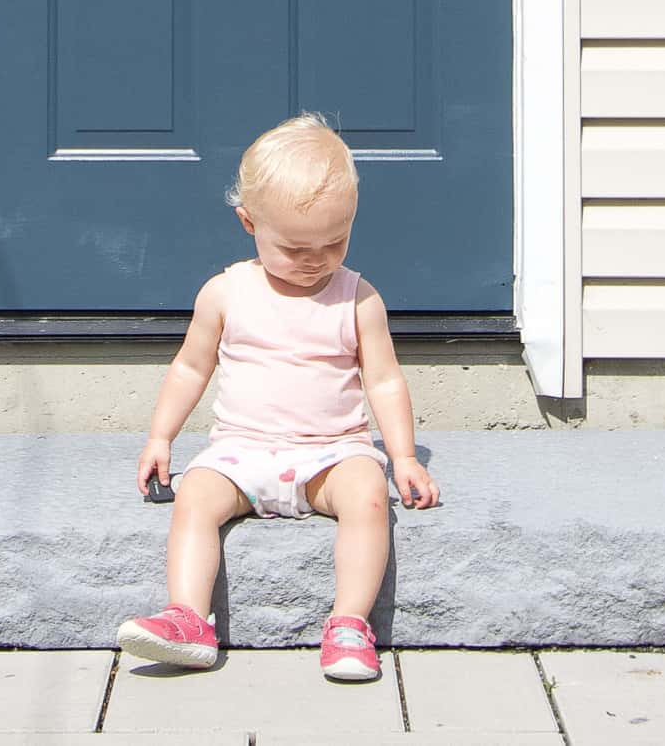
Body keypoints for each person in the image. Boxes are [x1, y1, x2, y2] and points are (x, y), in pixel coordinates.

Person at [115, 113, 439, 682]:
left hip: (331, 453)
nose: (315, 259)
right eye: (293, 247)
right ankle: (190, 617)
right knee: (195, 497)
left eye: (334, 242)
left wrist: (404, 456)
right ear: (248, 223)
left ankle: (349, 624)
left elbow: (385, 380)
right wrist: (161, 436)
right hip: (242, 451)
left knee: (367, 496)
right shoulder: (225, 293)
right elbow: (191, 368)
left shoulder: (358, 300)